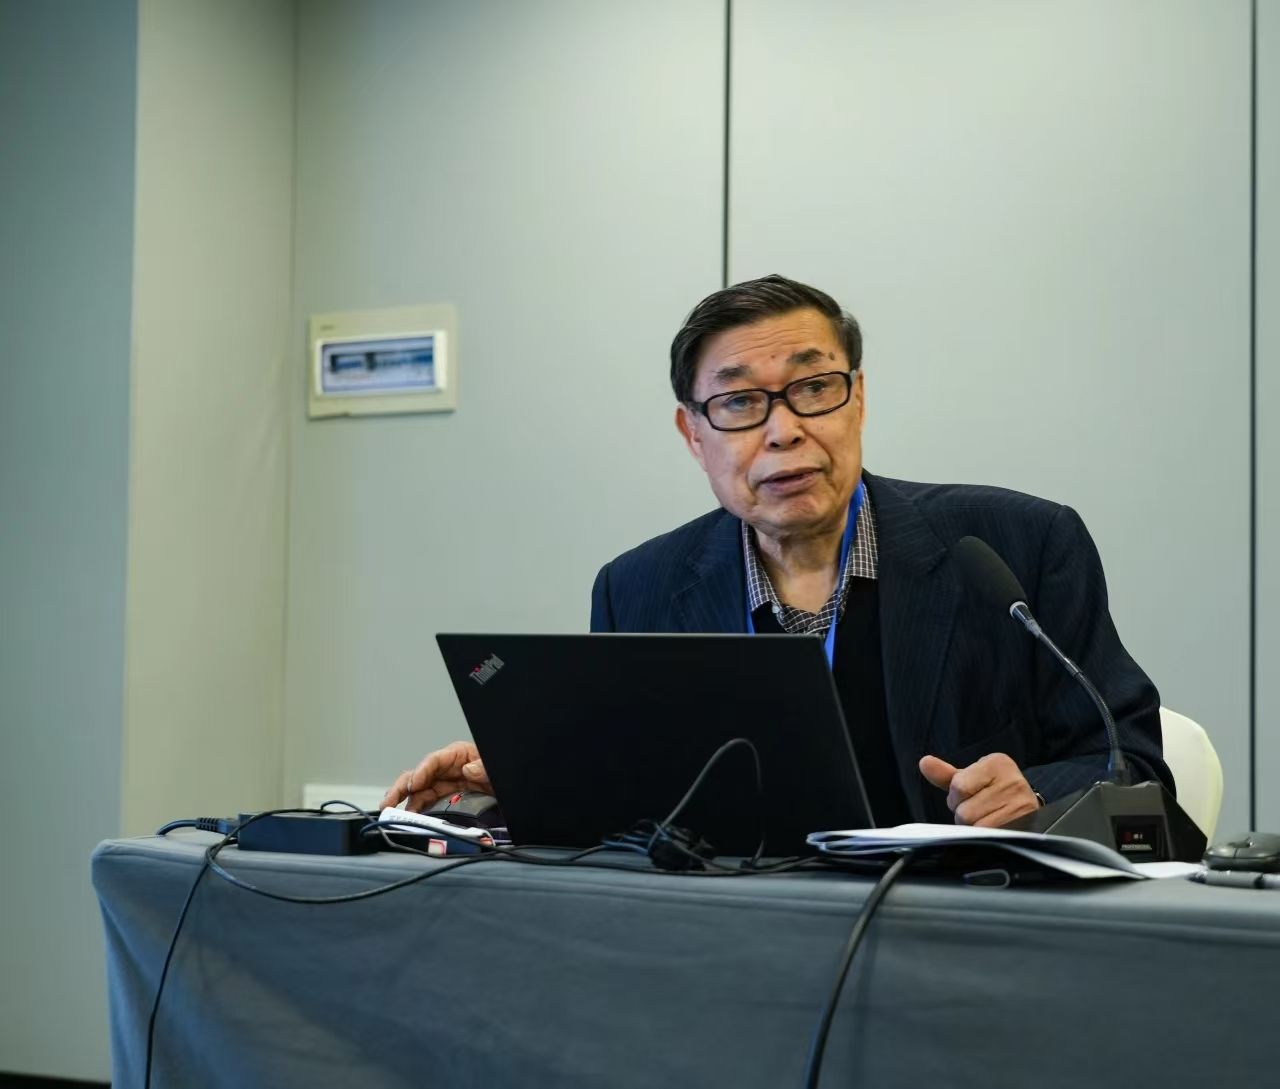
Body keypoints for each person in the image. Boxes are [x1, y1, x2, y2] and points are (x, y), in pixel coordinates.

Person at [382, 275, 1171, 827]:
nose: (785, 429)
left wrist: (1034, 791)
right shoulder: (639, 589)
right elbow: (631, 805)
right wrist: (521, 785)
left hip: (963, 936)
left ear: (858, 399)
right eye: (739, 402)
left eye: (814, 388)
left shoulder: (1016, 546)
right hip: (737, 948)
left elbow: (1131, 762)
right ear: (693, 434)